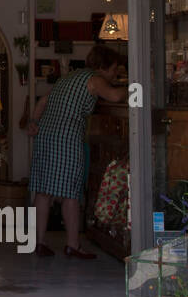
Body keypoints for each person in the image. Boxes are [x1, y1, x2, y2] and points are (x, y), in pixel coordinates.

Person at [26, 44, 128, 258]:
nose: (114, 74)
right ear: (104, 67)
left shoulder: (69, 77)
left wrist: (34, 121)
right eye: (114, 70)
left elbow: (43, 100)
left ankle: (39, 242)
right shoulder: (96, 79)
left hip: (45, 135)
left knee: (43, 191)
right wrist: (136, 86)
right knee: (70, 192)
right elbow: (115, 97)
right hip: (66, 136)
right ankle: (73, 244)